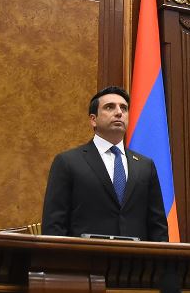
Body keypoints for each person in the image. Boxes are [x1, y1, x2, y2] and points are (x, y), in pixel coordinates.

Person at [41, 86, 168, 241]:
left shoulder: (145, 165)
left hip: (135, 255)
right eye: (110, 107)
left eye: (124, 108)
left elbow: (158, 226)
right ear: (93, 120)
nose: (119, 112)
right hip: (85, 255)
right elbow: (54, 224)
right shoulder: (68, 162)